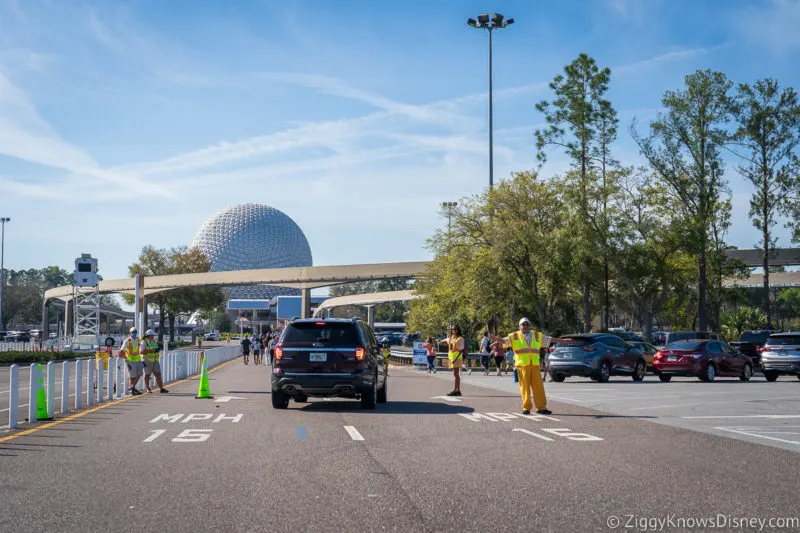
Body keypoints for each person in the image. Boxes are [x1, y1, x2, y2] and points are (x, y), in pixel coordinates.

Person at [492, 318, 561, 415]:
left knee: (539, 387)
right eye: (523, 324)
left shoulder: (536, 335)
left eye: (527, 324)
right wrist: (496, 339)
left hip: (534, 365)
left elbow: (549, 339)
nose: (525, 326)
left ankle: (541, 408)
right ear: (519, 326)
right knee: (524, 387)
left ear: (529, 325)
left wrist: (563, 340)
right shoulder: (514, 336)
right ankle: (526, 407)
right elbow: (504, 341)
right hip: (522, 365)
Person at [438, 325, 465, 396]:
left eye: (455, 329)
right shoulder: (451, 337)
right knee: (455, 374)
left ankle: (455, 390)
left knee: (456, 375)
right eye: (452, 329)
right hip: (451, 358)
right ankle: (458, 390)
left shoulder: (460, 339)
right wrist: (441, 341)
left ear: (458, 330)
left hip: (456, 358)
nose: (453, 331)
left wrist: (455, 359)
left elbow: (461, 351)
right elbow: (446, 339)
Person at [140, 329, 169, 394]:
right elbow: (141, 352)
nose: (153, 336)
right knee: (147, 375)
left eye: (153, 335)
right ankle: (148, 389)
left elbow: (155, 349)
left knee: (158, 374)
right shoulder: (144, 342)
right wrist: (151, 350)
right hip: (147, 360)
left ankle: (161, 389)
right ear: (148, 335)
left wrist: (157, 349)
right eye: (152, 335)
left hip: (155, 360)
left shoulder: (153, 341)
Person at [118, 327, 143, 395]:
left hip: (138, 360)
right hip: (130, 360)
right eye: (133, 332)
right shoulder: (127, 341)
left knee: (140, 374)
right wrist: (125, 358)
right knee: (132, 376)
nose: (134, 333)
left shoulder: (138, 339)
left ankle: (132, 387)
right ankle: (132, 389)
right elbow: (121, 351)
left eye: (135, 331)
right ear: (130, 333)